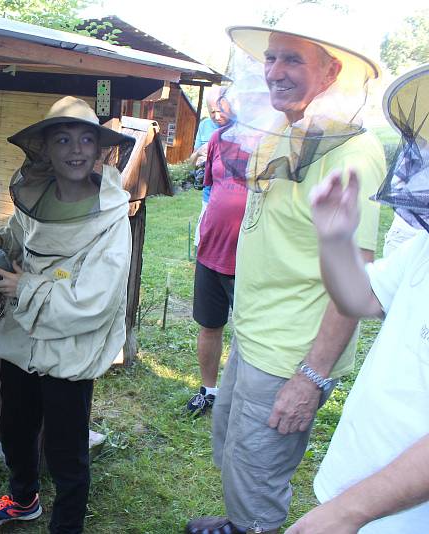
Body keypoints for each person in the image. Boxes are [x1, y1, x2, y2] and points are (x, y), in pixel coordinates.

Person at [185, 6, 384, 534]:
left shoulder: (352, 154)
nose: (274, 71)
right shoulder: (281, 131)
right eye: (270, 58)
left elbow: (353, 283)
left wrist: (311, 376)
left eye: (292, 59)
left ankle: (250, 526)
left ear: (331, 72)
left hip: (289, 355)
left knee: (257, 477)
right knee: (232, 450)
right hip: (254, 336)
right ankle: (237, 522)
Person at [0, 96, 133, 533]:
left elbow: (94, 300)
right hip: (23, 339)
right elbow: (20, 240)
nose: (76, 150)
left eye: (85, 139)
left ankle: (67, 526)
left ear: (99, 149)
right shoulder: (34, 198)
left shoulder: (114, 217)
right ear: (45, 149)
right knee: (16, 429)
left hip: (70, 351)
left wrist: (26, 286)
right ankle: (23, 500)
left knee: (66, 449)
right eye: (63, 139)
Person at [286, 62, 429, 534]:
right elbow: (359, 298)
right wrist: (335, 238)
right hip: (360, 484)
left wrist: (349, 512)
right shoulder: (426, 246)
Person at [185, 108, 249, 417]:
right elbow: (211, 189)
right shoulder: (218, 138)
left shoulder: (272, 144)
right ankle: (209, 391)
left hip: (249, 259)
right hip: (211, 249)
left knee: (250, 333)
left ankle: (244, 398)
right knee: (209, 325)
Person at [191, 87, 233, 248]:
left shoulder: (239, 128)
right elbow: (192, 160)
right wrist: (200, 153)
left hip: (228, 197)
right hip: (208, 197)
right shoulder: (205, 125)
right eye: (211, 112)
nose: (216, 117)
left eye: (220, 111)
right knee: (202, 244)